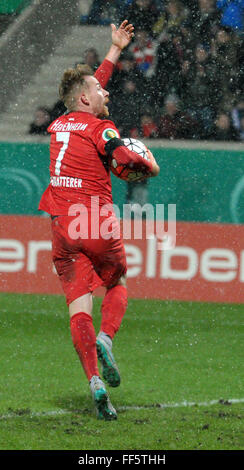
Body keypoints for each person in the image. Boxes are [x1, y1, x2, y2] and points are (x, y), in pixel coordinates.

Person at [38, 20, 160, 421]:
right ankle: (107, 339)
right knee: (118, 281)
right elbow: (122, 155)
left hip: (61, 225)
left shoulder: (60, 123)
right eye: (100, 90)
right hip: (95, 220)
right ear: (87, 99)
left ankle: (93, 380)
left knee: (77, 308)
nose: (106, 90)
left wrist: (113, 50)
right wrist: (149, 168)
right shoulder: (101, 127)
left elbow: (87, 93)